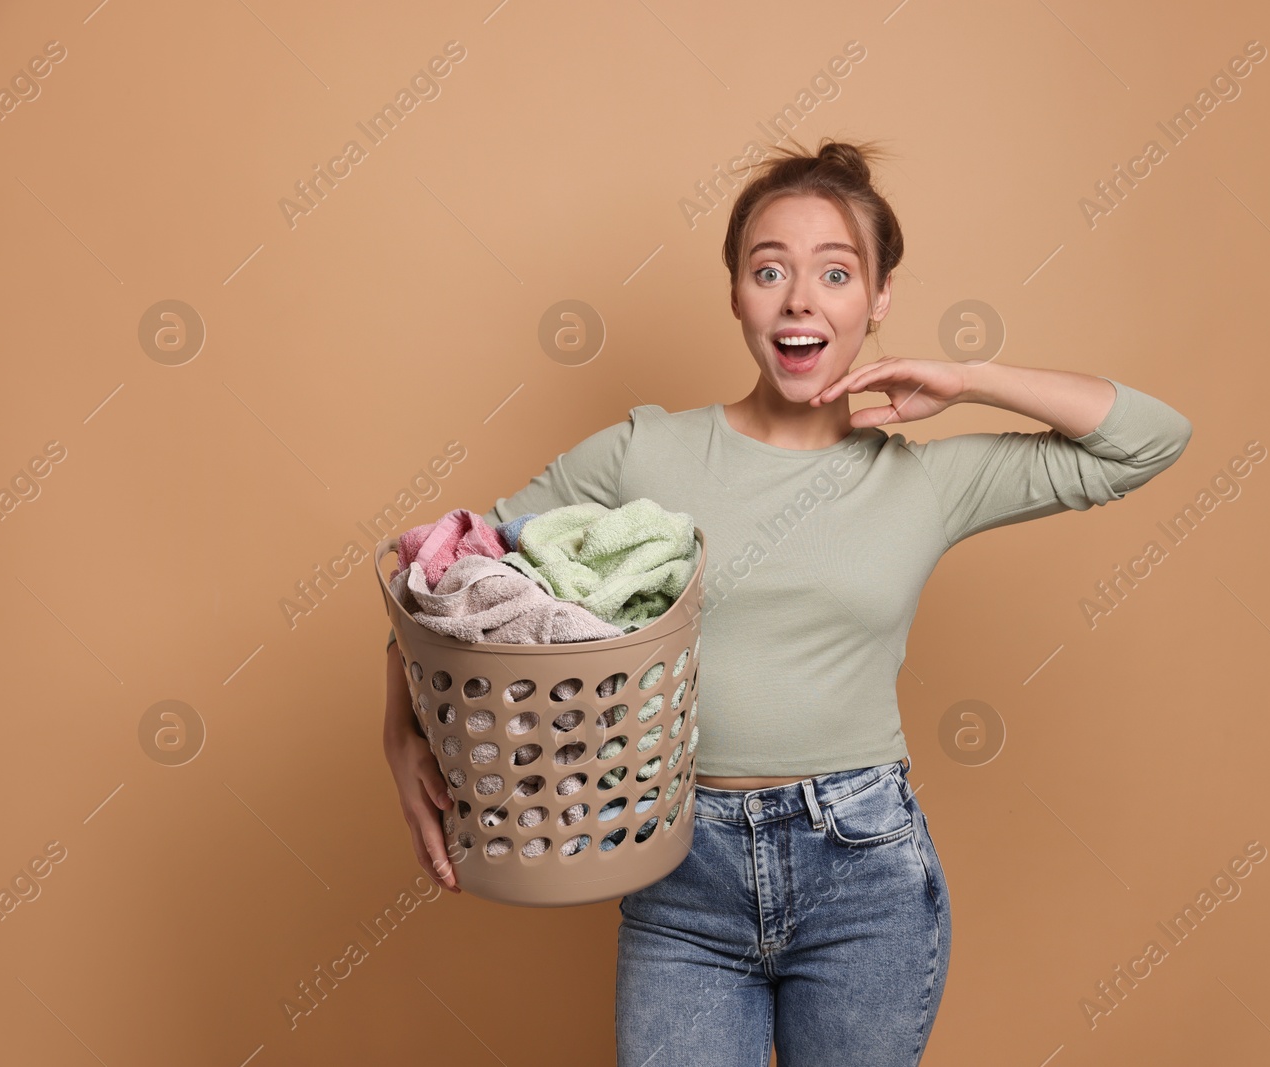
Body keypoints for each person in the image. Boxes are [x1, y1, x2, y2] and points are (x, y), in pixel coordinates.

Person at [382, 136, 1194, 1065]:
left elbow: (1149, 440)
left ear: (879, 299)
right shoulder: (645, 453)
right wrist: (398, 727)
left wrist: (967, 378)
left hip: (865, 874)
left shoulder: (924, 482)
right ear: (735, 293)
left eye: (837, 273)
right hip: (678, 868)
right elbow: (445, 577)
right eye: (770, 270)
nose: (801, 298)